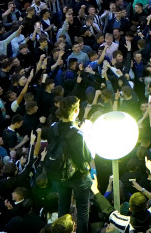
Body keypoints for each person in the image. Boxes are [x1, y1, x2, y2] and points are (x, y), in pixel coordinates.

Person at [44, 95, 93, 233]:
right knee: (83, 209)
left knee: (63, 206)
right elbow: (87, 157)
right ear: (76, 111)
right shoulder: (78, 134)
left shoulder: (53, 127)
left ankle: (62, 230)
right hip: (78, 177)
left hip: (59, 174)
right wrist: (86, 134)